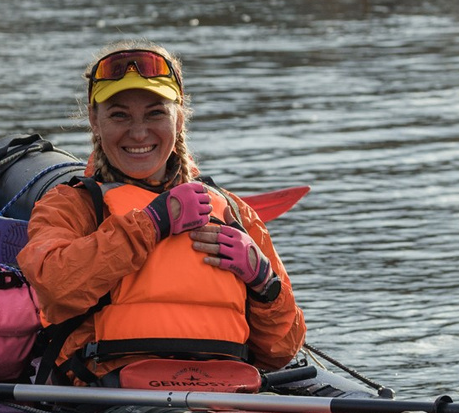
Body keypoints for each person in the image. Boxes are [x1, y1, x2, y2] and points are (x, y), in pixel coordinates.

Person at [18, 46, 303, 386]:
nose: (138, 133)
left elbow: (280, 351)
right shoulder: (71, 204)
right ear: (95, 121)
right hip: (109, 399)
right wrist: (151, 224)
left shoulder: (233, 211)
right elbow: (54, 287)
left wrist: (264, 284)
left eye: (155, 114)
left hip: (227, 395)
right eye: (119, 116)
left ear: (179, 118)